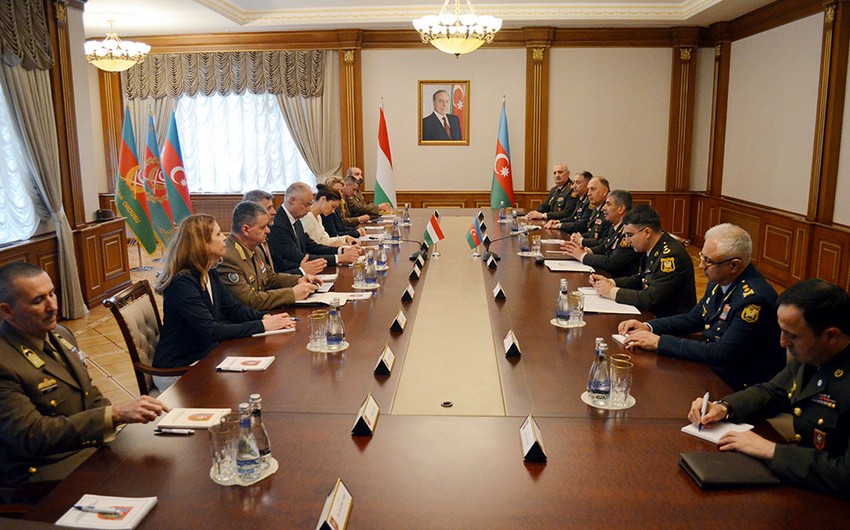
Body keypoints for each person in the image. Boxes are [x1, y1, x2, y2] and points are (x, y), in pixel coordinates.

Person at [0, 263, 169, 486]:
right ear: (7, 310)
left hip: (88, 449)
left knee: (163, 463)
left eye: (52, 294)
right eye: (38, 300)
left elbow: (89, 394)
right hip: (45, 474)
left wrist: (118, 419)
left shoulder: (61, 334)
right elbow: (32, 435)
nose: (52, 306)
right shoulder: (5, 361)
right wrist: (114, 415)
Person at [687, 279, 850, 498]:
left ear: (831, 336)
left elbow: (845, 474)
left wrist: (771, 451)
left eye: (792, 335)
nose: (782, 343)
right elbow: (772, 392)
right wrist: (724, 407)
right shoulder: (815, 354)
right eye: (781, 332)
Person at [619, 223, 785, 390]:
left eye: (708, 261)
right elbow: (694, 318)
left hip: (739, 384)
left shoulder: (754, 300)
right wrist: (649, 326)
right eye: (702, 257)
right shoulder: (720, 280)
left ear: (734, 265)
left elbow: (721, 353)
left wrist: (660, 343)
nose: (701, 266)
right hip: (713, 368)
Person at [153, 214, 295, 390]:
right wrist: (262, 325)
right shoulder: (182, 283)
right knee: (250, 387)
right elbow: (212, 330)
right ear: (202, 244)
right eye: (218, 234)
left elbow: (234, 309)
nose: (225, 238)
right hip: (180, 368)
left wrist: (266, 317)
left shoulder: (209, 272)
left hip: (206, 357)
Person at [590, 204, 695, 317]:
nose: (627, 240)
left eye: (630, 235)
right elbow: (642, 279)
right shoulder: (652, 246)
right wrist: (611, 282)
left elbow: (651, 298)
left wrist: (611, 292)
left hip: (667, 320)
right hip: (652, 315)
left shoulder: (671, 256)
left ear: (647, 232)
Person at [218, 201, 319, 310]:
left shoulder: (255, 248)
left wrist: (298, 280)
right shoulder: (228, 257)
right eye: (262, 227)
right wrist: (292, 294)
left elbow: (270, 278)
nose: (268, 230)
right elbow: (250, 300)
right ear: (246, 229)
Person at [267, 182, 360, 275]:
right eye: (306, 205)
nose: (309, 209)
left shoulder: (295, 218)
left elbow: (311, 246)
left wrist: (341, 251)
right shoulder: (278, 223)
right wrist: (338, 258)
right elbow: (297, 257)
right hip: (291, 276)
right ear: (292, 200)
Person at [560, 189, 640, 278]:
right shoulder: (615, 226)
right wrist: (586, 250)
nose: (603, 208)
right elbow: (604, 247)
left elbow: (611, 262)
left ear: (620, 209)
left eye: (608, 204)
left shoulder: (628, 232)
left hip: (617, 279)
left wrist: (582, 255)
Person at [567, 176, 610, 244]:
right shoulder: (596, 208)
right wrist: (578, 236)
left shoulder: (609, 211)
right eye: (588, 189)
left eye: (592, 189)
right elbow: (591, 233)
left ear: (605, 191)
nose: (588, 193)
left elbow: (605, 241)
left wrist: (582, 240)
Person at [242, 189, 277, 271]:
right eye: (268, 208)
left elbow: (274, 270)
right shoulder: (251, 241)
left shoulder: (269, 233)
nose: (274, 212)